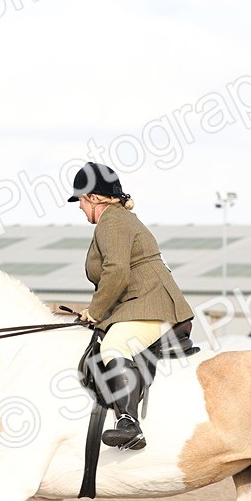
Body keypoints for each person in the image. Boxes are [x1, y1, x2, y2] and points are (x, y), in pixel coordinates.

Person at [69, 161, 194, 450]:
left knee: (114, 347)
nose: (78, 207)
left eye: (80, 201)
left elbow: (116, 272)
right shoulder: (118, 219)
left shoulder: (111, 221)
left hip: (151, 304)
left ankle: (128, 422)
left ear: (93, 198)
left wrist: (96, 312)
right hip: (142, 302)